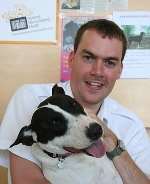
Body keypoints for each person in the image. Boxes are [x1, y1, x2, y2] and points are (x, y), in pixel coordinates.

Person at [0, 19, 150, 184]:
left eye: (110, 62)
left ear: (120, 70)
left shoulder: (130, 124)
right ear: (71, 58)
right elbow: (27, 180)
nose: (98, 71)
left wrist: (114, 146)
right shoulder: (31, 99)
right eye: (88, 57)